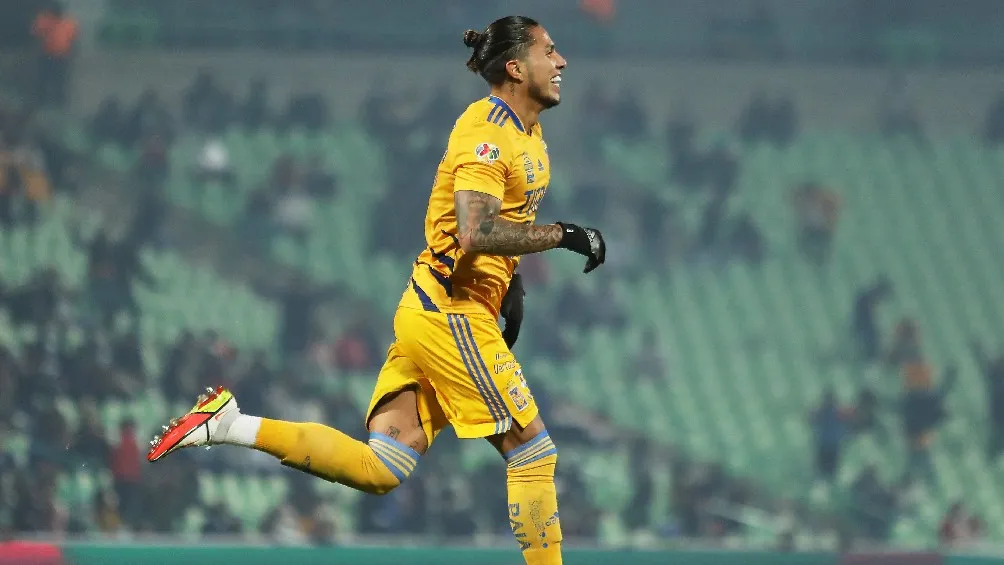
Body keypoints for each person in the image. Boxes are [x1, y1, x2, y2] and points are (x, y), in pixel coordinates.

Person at [147, 16, 604, 565]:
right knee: (533, 454)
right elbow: (476, 230)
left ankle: (230, 424)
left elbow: (492, 227)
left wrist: (512, 282)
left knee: (382, 468)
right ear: (515, 67)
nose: (562, 62)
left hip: (435, 307)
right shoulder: (488, 133)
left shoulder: (527, 133)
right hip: (451, 312)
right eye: (549, 51)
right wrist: (564, 235)